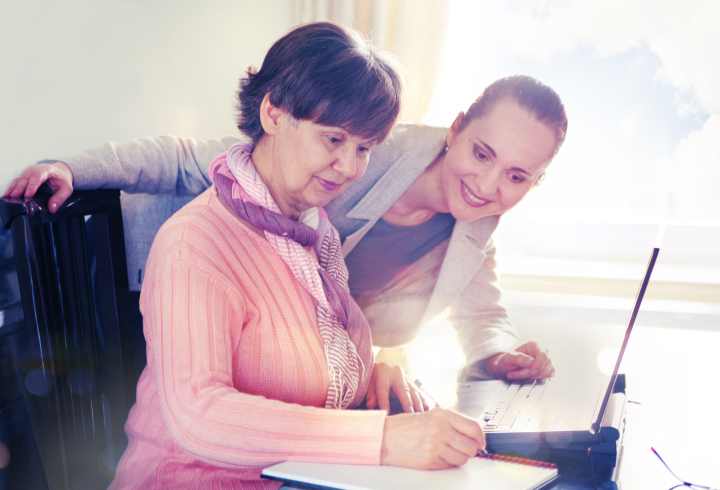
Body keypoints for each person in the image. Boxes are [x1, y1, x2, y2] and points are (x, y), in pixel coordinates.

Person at [17, 22, 490, 489]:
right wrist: (383, 439)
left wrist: (372, 378)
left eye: (364, 147)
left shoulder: (313, 231)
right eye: (333, 139)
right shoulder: (195, 242)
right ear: (273, 114)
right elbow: (200, 415)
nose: (350, 167)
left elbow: (299, 373)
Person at [6, 79, 564, 384]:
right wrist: (73, 169)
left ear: (535, 182)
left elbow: (483, 315)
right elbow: (183, 161)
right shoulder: (364, 148)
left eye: (516, 176)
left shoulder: (476, 225)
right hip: (152, 290)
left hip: (267, 357)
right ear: (457, 127)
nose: (488, 185)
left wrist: (502, 356)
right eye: (482, 153)